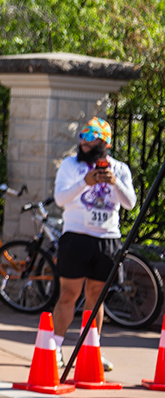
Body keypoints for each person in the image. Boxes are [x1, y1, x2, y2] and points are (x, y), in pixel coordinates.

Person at [51, 117, 135, 369]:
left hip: (108, 239)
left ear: (105, 143)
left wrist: (114, 182)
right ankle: (55, 347)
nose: (85, 143)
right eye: (82, 137)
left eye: (91, 138)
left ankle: (91, 348)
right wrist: (84, 182)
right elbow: (60, 199)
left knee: (96, 297)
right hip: (77, 237)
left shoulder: (119, 169)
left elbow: (130, 203)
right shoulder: (70, 165)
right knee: (68, 294)